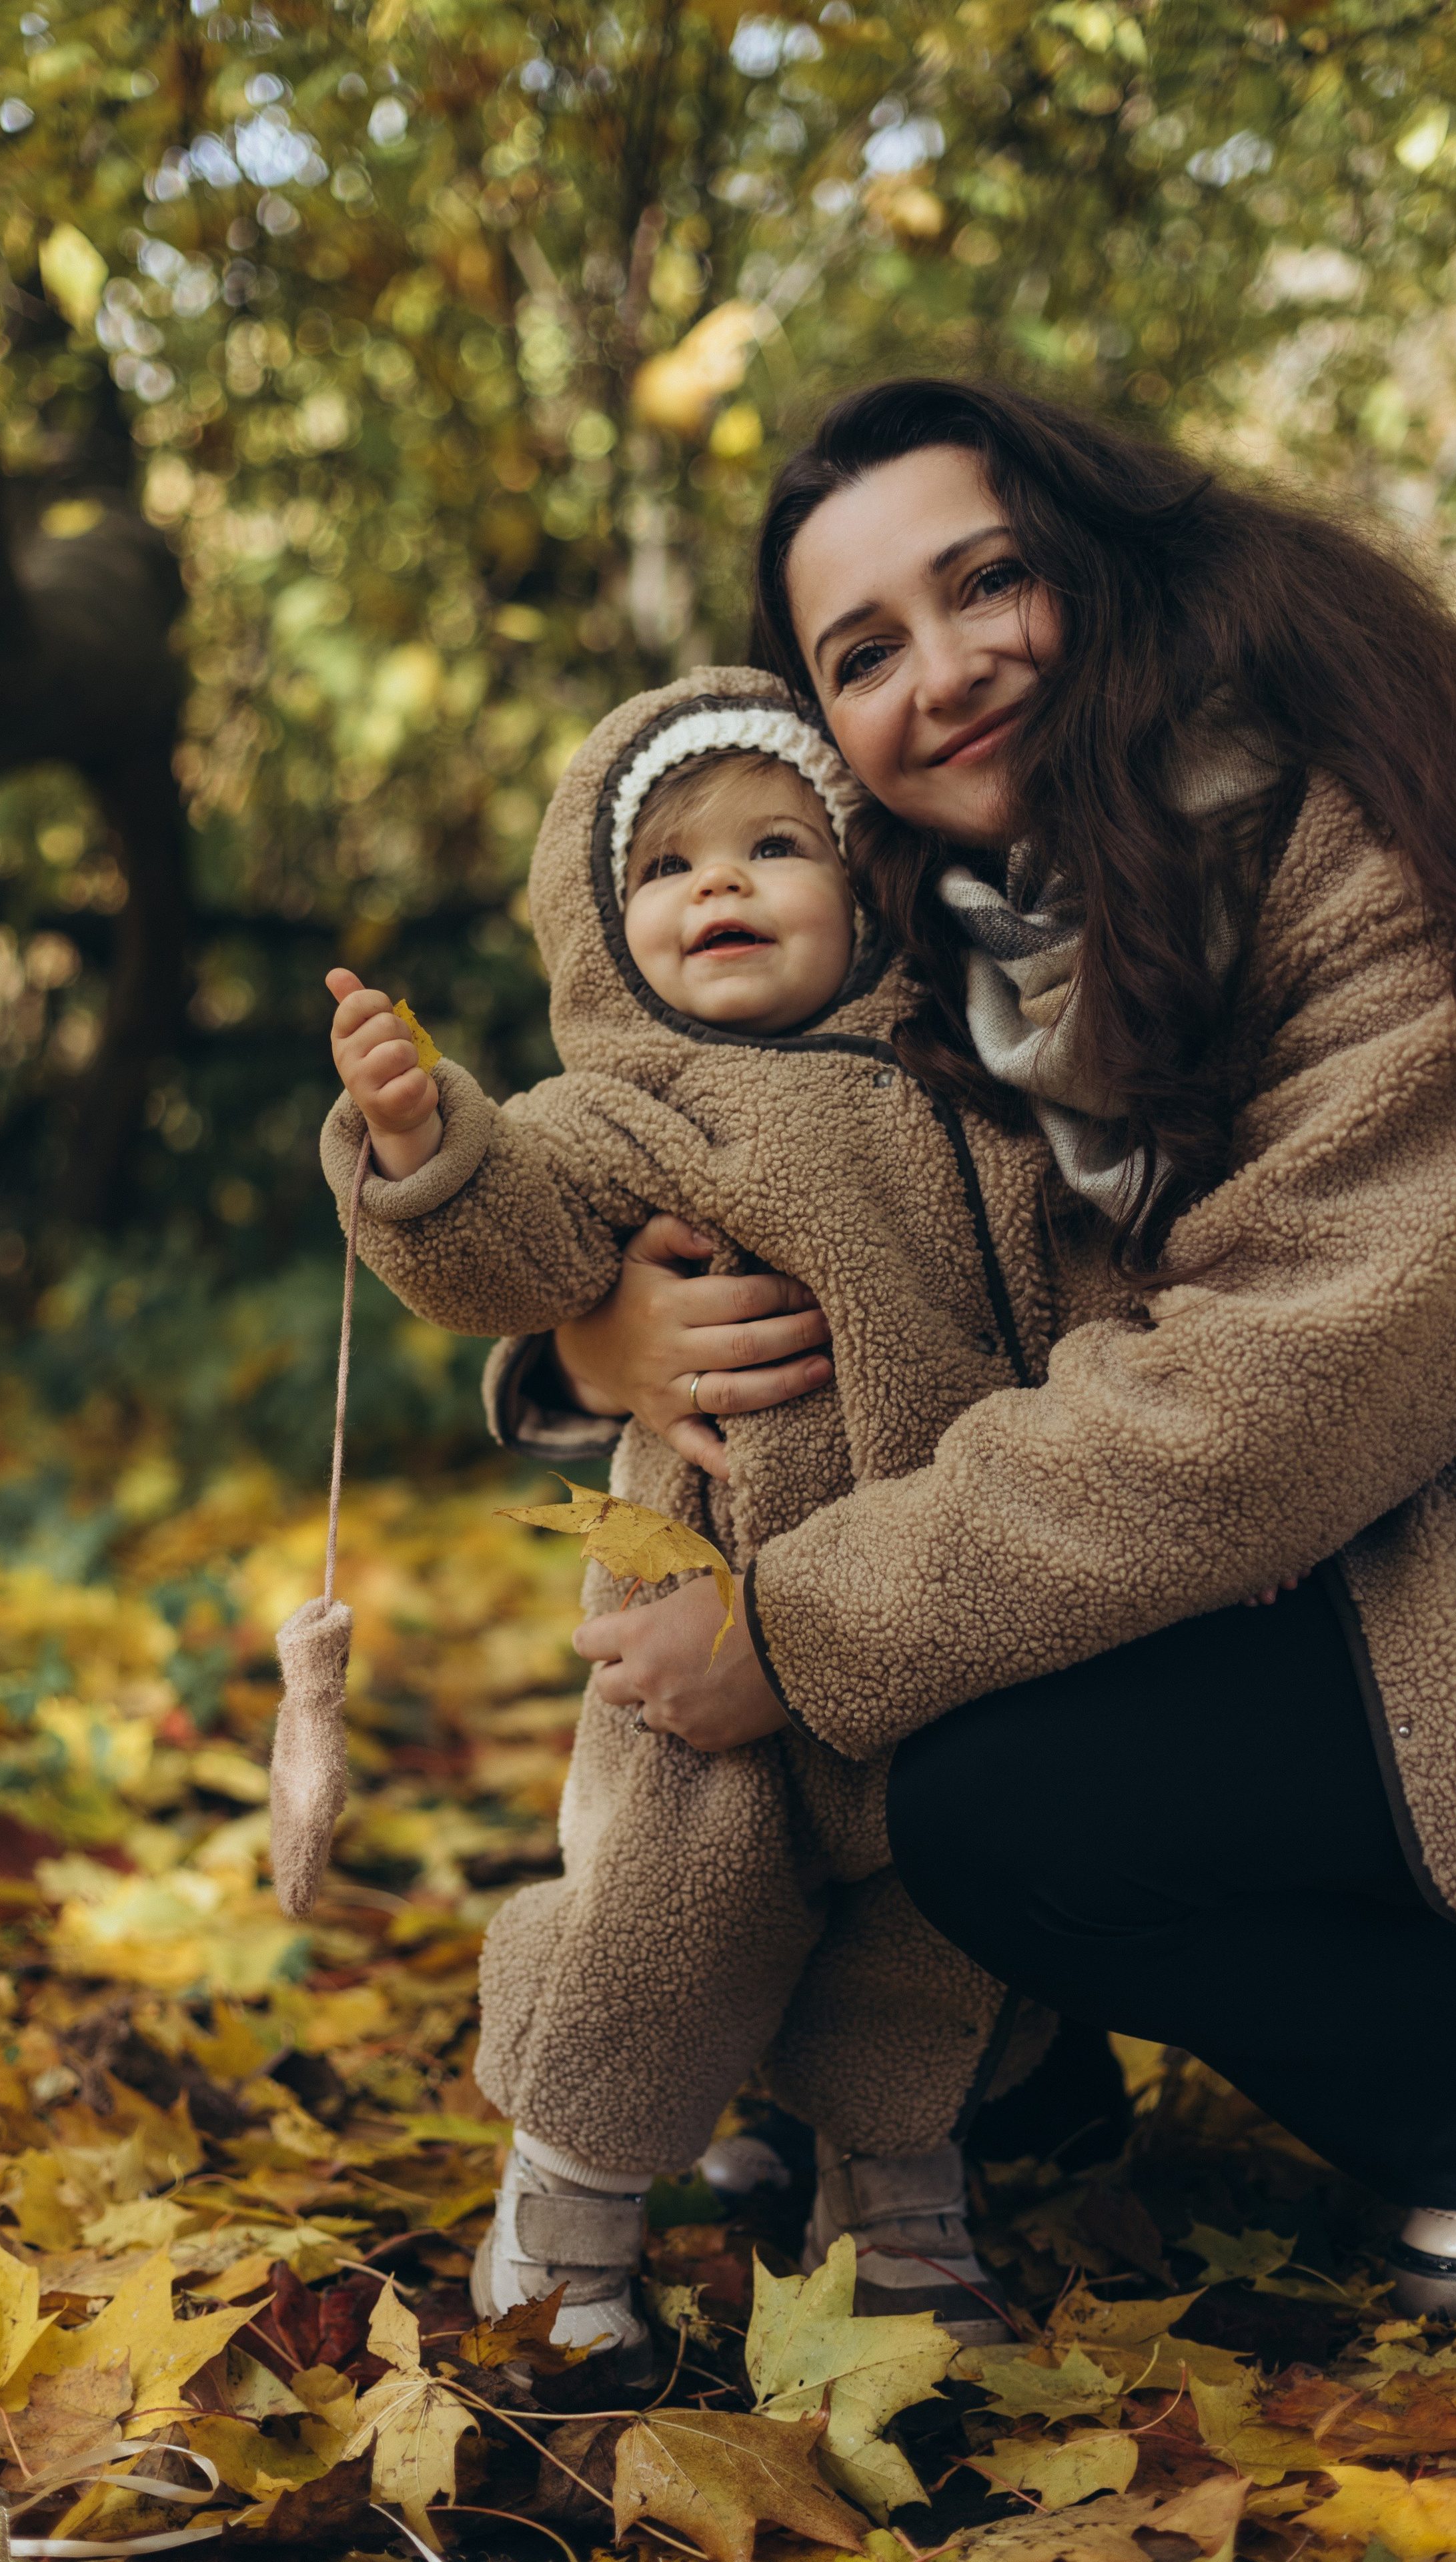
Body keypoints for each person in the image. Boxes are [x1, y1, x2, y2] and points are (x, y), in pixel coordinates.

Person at [502, 376, 1456, 2316]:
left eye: (989, 580)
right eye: (864, 655)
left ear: (1107, 559)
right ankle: (996, 2091)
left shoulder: (1372, 826)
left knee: (994, 1791)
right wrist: (603, 1340)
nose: (949, 671)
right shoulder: (976, 935)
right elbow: (818, 1206)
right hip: (1363, 1543)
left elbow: (1287, 1379)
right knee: (890, 1646)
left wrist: (797, 1632)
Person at [319, 678, 1060, 2363]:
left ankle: (894, 2209)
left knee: (921, 1926)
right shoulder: (620, 1112)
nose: (716, 887)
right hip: (693, 1625)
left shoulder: (969, 1097)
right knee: (660, 1919)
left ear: (870, 885)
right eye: (661, 865)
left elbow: (1060, 1298)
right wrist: (424, 1143)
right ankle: (565, 2207)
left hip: (928, 1623)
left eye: (774, 847)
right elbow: (507, 1241)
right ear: (599, 925)